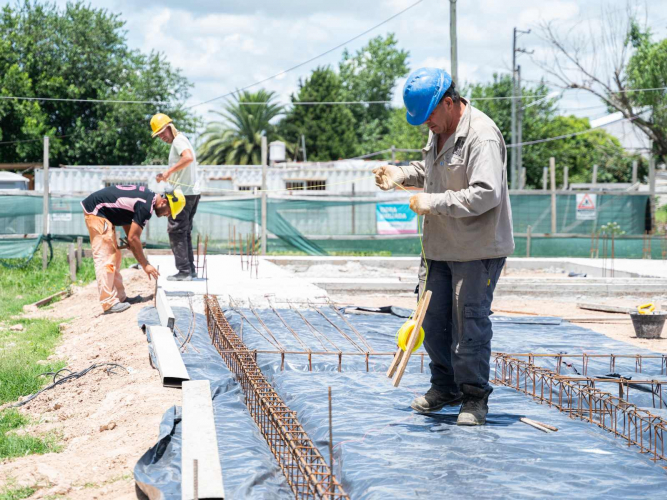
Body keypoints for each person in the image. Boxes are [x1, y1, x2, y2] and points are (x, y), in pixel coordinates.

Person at [373, 68, 514, 426]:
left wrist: (432, 203)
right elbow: (433, 171)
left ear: (449, 103)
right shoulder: (440, 131)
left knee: (469, 324)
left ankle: (473, 397)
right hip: (438, 249)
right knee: (431, 323)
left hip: (475, 250)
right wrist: (401, 174)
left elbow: (486, 193)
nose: (427, 125)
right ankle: (444, 387)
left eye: (429, 117)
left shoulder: (481, 137)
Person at [81, 184, 181, 314]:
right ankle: (108, 303)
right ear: (164, 202)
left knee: (115, 256)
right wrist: (145, 265)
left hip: (101, 211)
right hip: (97, 211)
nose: (167, 215)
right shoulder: (147, 206)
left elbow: (127, 218)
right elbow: (134, 238)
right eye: (169, 211)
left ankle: (120, 298)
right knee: (105, 257)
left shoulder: (147, 199)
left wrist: (130, 238)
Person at [150, 113, 200, 281]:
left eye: (162, 132)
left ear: (169, 127)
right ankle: (189, 270)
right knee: (184, 231)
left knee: (176, 230)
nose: (162, 137)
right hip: (189, 193)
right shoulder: (181, 140)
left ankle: (184, 271)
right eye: (158, 135)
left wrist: (168, 172)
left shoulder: (179, 140)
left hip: (182, 195)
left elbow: (188, 158)